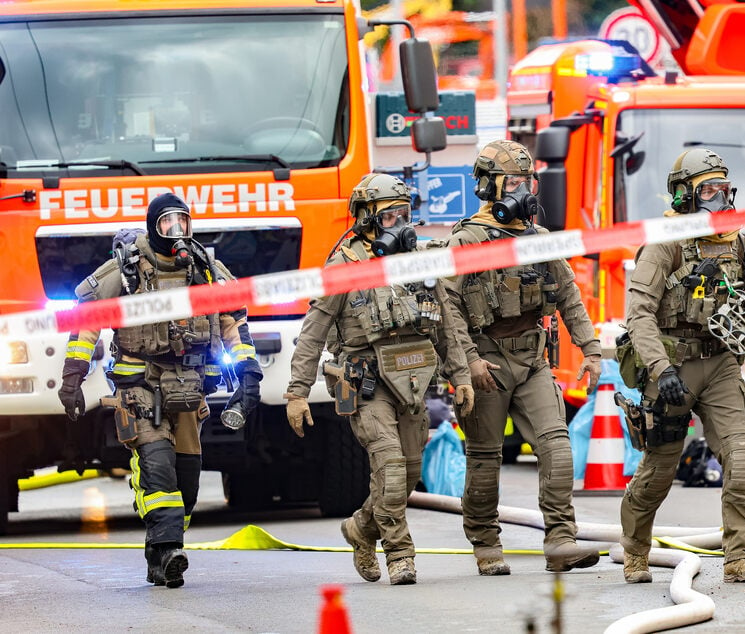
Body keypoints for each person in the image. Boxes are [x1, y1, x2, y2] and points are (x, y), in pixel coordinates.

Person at [58, 192, 261, 588]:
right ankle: (170, 551)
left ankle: (161, 549)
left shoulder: (205, 268)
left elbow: (233, 323)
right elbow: (86, 321)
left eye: (182, 222)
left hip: (189, 390)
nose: (176, 231)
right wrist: (73, 378)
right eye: (167, 223)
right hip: (140, 389)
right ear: (153, 225)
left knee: (186, 480)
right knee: (157, 465)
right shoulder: (127, 269)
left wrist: (248, 374)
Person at [284, 172, 475, 586]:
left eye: (405, 214)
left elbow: (447, 328)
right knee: (388, 464)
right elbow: (313, 331)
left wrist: (461, 376)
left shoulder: (418, 263)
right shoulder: (344, 266)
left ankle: (360, 529)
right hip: (366, 384)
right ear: (366, 219)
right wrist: (297, 393)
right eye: (390, 217)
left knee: (405, 475)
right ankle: (400, 554)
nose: (401, 224)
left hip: (411, 382)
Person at [618, 148, 745, 584]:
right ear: (684, 196)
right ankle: (635, 552)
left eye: (723, 187)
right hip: (673, 369)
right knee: (659, 470)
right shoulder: (664, 243)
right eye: (708, 188)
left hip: (721, 364)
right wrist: (661, 370)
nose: (719, 196)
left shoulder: (737, 243)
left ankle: (739, 558)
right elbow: (638, 314)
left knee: (742, 459)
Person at [444, 140, 603, 576]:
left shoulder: (539, 239)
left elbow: (569, 295)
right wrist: (468, 363)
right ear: (489, 187)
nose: (522, 191)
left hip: (532, 359)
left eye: (526, 182)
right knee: (484, 458)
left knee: (556, 445)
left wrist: (589, 349)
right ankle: (485, 541)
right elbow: (448, 309)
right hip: (487, 362)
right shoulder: (467, 239)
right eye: (512, 182)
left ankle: (561, 540)